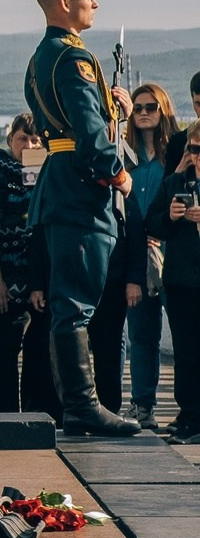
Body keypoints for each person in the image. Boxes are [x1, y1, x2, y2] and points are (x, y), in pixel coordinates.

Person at [20, 0, 140, 436]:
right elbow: (90, 135)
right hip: (80, 189)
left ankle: (79, 406)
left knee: (70, 302)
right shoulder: (73, 58)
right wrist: (117, 174)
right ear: (65, 1)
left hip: (60, 182)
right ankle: (83, 406)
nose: (94, 1)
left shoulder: (42, 57)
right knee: (75, 305)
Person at [94, 85, 177, 426]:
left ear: (163, 111)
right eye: (139, 107)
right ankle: (143, 406)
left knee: (186, 336)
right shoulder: (124, 157)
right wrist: (120, 115)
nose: (144, 112)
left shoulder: (175, 155)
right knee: (142, 335)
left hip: (173, 251)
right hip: (134, 253)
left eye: (151, 107)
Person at [0, 114, 56, 417]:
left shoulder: (50, 174)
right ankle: (2, 423)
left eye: (36, 139)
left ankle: (38, 420)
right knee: (2, 360)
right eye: (23, 138)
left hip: (42, 282)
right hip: (5, 282)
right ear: (11, 139)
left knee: (40, 361)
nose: (30, 144)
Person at [146, 96, 200, 438]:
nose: (197, 157)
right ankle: (190, 414)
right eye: (194, 149)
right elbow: (151, 224)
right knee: (186, 354)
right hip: (181, 282)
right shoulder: (177, 184)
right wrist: (170, 215)